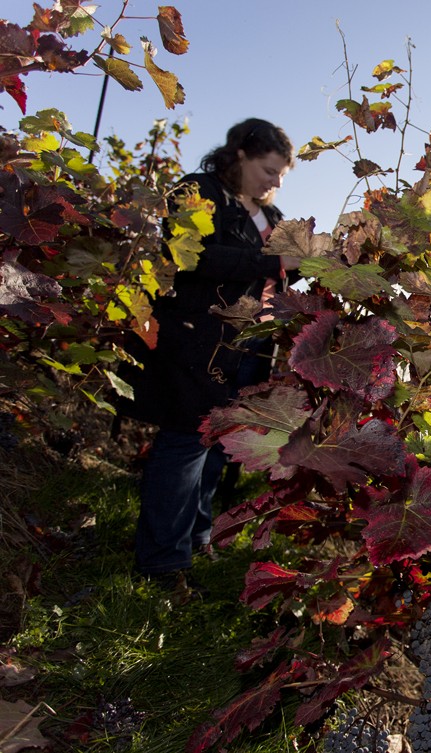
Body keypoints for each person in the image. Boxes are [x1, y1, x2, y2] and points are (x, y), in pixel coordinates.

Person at [119, 118, 297, 587]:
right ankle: (162, 564)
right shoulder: (198, 191)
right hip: (196, 339)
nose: (275, 182)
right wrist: (271, 262)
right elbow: (188, 255)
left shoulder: (272, 220)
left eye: (282, 175)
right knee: (185, 441)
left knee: (219, 444)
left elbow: (271, 275)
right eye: (269, 169)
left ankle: (196, 537)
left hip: (247, 346)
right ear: (240, 154)